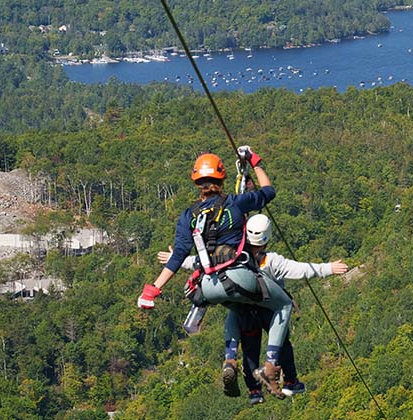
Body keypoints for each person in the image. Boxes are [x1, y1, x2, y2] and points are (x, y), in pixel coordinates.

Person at [137, 146, 294, 396]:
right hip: (239, 276)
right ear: (221, 178)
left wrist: (153, 289)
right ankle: (272, 364)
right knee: (283, 304)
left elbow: (178, 256)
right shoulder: (235, 203)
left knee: (235, 306)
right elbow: (269, 191)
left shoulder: (189, 215)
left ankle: (229, 359)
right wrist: (255, 161)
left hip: (207, 286)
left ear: (196, 181)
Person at [158, 214, 349, 403]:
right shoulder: (272, 261)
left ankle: (251, 387)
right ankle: (290, 380)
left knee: (250, 348)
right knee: (282, 343)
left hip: (244, 312)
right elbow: (300, 269)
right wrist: (328, 268)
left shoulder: (235, 257)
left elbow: (202, 262)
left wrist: (176, 258)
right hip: (269, 311)